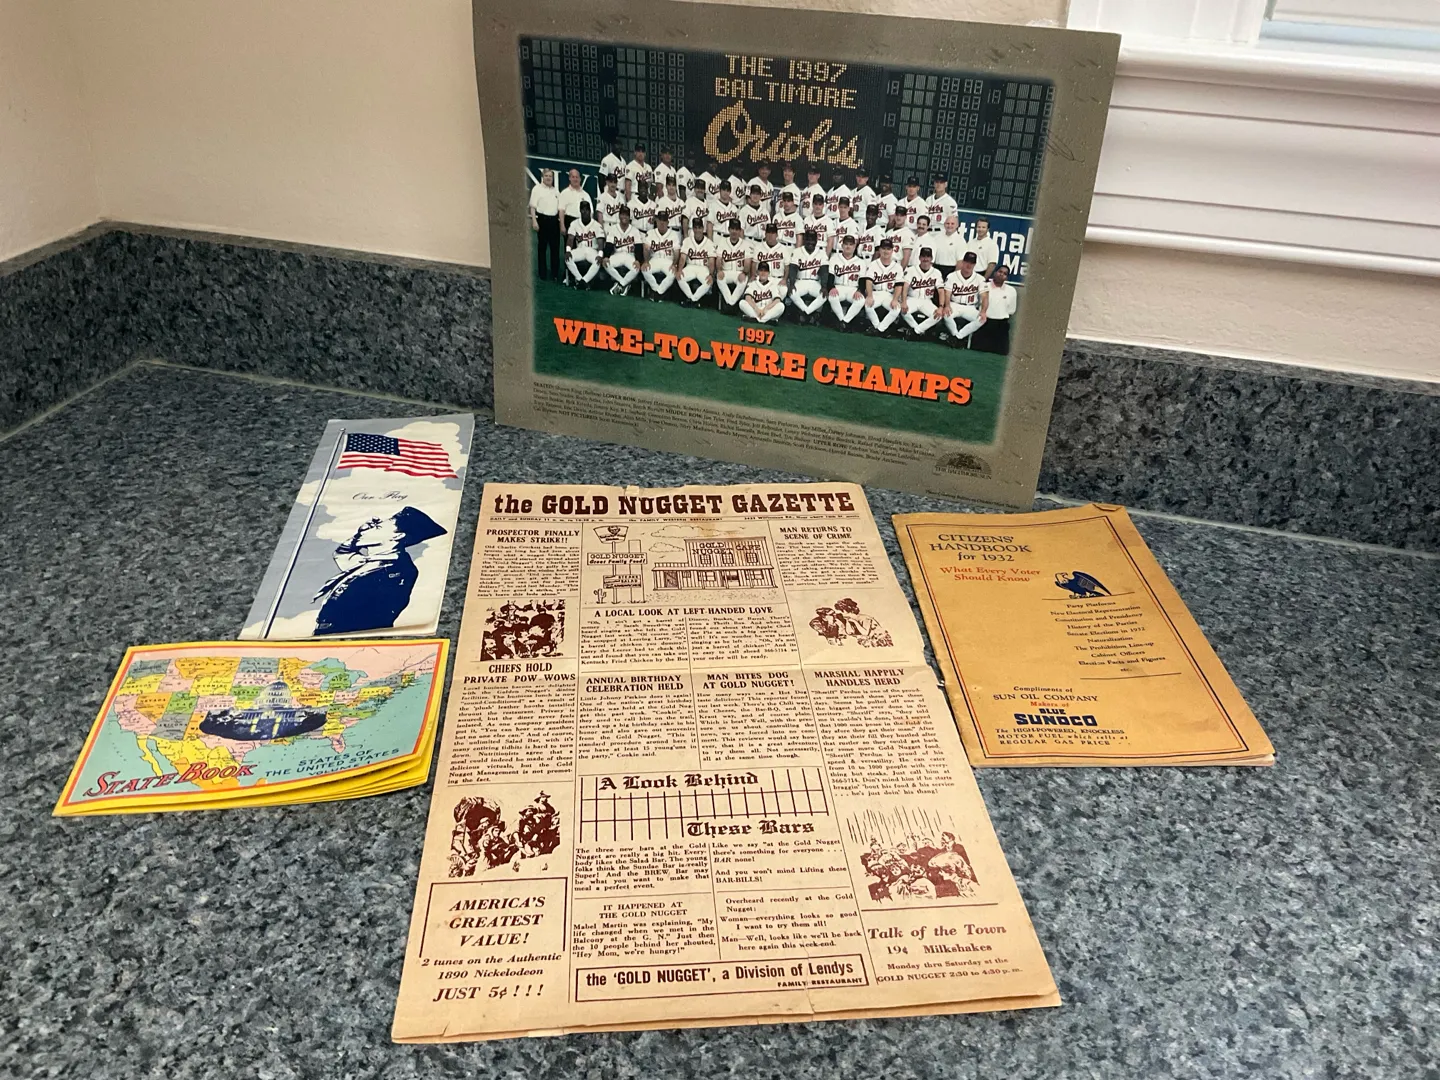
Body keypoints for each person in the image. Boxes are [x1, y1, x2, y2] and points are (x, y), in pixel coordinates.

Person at [313, 506, 447, 635]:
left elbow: (376, 615)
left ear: (398, 536)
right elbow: (342, 553)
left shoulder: (398, 571)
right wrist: (358, 535)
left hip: (353, 636)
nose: (368, 529)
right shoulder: (370, 561)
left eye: (378, 527)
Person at [939, 251, 986, 343]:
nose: (969, 265)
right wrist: (947, 305)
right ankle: (956, 336)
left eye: (971, 263)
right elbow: (947, 293)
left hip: (970, 307)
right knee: (946, 314)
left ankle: (957, 337)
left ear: (974, 264)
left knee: (982, 319)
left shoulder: (980, 279)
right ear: (963, 262)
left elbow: (985, 297)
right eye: (967, 262)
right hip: (954, 304)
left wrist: (983, 311)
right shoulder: (952, 276)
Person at [863, 238, 906, 334]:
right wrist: (869, 296)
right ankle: (878, 327)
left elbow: (899, 286)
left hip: (889, 295)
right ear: (879, 250)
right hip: (876, 293)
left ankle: (879, 329)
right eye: (883, 248)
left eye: (888, 249)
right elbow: (868, 282)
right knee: (868, 305)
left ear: (892, 250)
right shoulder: (873, 264)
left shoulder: (897, 267)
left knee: (896, 309)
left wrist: (895, 299)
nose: (886, 251)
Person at [973, 264, 1018, 353]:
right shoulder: (984, 286)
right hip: (984, 322)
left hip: (1001, 325)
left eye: (1005, 274)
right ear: (995, 273)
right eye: (1000, 272)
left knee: (1001, 353)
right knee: (978, 350)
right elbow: (976, 304)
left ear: (1007, 277)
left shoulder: (1011, 291)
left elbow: (1011, 310)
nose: (1001, 274)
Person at [528, 168, 563, 282]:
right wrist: (534, 221)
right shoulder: (537, 189)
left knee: (555, 248)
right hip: (542, 220)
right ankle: (542, 273)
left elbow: (560, 208)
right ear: (543, 177)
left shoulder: (556, 191)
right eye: (546, 176)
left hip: (554, 221)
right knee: (542, 248)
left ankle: (554, 274)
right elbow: (532, 207)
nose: (548, 178)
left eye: (550, 176)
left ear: (553, 178)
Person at [902, 246, 945, 337]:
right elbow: (905, 287)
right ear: (919, 258)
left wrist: (941, 307)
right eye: (923, 256)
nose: (925, 259)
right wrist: (904, 302)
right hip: (912, 299)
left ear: (931, 258)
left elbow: (941, 291)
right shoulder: (911, 270)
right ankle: (919, 331)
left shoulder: (936, 272)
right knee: (902, 310)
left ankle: (916, 331)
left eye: (928, 256)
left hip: (927, 301)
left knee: (939, 315)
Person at [827, 234, 867, 329]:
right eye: (846, 244)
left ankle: (845, 321)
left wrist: (859, 290)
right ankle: (843, 321)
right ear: (842, 245)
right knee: (832, 297)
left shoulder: (861, 262)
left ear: (854, 246)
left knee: (861, 300)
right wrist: (832, 287)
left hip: (853, 288)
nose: (848, 246)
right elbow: (830, 276)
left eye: (850, 244)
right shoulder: (834, 258)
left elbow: (862, 280)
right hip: (838, 286)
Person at [603, 206, 644, 295]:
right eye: (622, 214)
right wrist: (606, 256)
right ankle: (624, 284)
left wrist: (638, 260)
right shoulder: (613, 228)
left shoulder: (634, 230)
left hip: (630, 256)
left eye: (626, 215)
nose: (624, 217)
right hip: (617, 255)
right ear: (619, 215)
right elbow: (609, 244)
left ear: (629, 217)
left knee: (636, 268)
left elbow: (639, 247)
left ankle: (620, 284)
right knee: (606, 263)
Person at [788, 229, 827, 322]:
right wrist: (792, 283)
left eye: (813, 240)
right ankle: (808, 312)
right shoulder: (797, 251)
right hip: (800, 281)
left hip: (814, 282)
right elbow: (793, 269)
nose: (810, 242)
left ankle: (805, 313)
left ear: (816, 241)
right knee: (791, 292)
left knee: (824, 296)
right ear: (804, 240)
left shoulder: (822, 253)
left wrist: (824, 286)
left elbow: (824, 271)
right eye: (808, 239)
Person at [715, 218, 752, 312]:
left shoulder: (745, 244)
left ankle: (729, 304)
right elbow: (718, 259)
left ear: (740, 231)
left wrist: (744, 273)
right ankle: (731, 303)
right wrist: (719, 270)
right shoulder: (722, 242)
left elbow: (748, 262)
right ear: (729, 229)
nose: (734, 231)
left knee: (743, 280)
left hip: (739, 272)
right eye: (732, 229)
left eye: (736, 229)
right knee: (719, 278)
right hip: (726, 271)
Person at [564, 201, 604, 289]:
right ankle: (580, 280)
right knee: (567, 258)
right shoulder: (574, 223)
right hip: (580, 250)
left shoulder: (597, 225)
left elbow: (600, 241)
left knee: (597, 261)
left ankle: (583, 281)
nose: (585, 212)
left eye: (587, 210)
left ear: (590, 211)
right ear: (580, 211)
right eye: (583, 209)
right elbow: (570, 238)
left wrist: (600, 254)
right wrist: (568, 250)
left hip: (592, 250)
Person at [641, 210, 679, 300]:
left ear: (668, 222)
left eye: (664, 220)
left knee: (672, 273)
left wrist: (674, 264)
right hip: (655, 259)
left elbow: (677, 251)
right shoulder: (650, 233)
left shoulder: (673, 234)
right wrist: (646, 262)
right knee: (644, 269)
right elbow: (645, 248)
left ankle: (657, 293)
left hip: (668, 260)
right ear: (656, 221)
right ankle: (658, 291)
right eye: (660, 220)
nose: (662, 223)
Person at [677, 219, 716, 306]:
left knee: (708, 282)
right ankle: (693, 299)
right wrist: (679, 270)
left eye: (699, 228)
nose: (697, 230)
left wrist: (711, 274)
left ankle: (692, 300)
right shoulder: (687, 241)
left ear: (703, 229)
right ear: (693, 229)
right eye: (695, 228)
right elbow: (683, 258)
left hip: (703, 268)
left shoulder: (709, 243)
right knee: (679, 277)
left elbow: (711, 261)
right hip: (690, 266)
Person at [557, 168, 592, 234]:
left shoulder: (586, 195)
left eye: (577, 177)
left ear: (580, 179)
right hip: (569, 222)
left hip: (582, 222)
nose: (575, 179)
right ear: (569, 178)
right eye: (573, 177)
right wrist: (562, 226)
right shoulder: (564, 193)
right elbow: (561, 211)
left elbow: (591, 213)